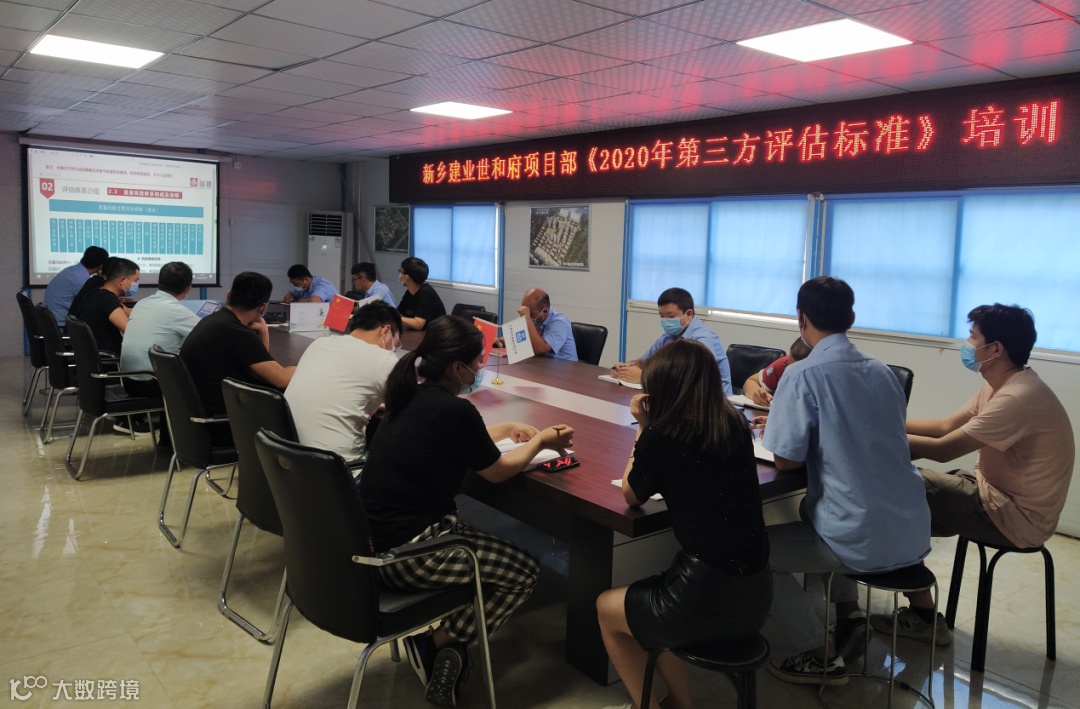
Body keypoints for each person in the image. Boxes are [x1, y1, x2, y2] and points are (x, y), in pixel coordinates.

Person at [359, 315, 573, 707]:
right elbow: (497, 471)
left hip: (370, 543)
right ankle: (435, 642)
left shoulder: (410, 395)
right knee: (525, 572)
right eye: (478, 361)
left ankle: (445, 643)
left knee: (495, 556)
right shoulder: (455, 411)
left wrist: (506, 429)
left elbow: (454, 438)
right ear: (458, 368)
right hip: (410, 553)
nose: (481, 368)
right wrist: (541, 441)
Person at [869, 304, 1075, 643]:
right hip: (993, 495)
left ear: (995, 348)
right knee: (903, 502)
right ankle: (916, 603)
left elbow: (943, 448)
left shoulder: (1018, 397)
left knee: (896, 488)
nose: (966, 344)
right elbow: (944, 426)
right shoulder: (1001, 385)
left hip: (1014, 518)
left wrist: (870, 437)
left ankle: (921, 617)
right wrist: (881, 422)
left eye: (972, 336)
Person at [761, 276, 931, 686]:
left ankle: (819, 655)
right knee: (816, 512)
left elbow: (785, 460)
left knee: (754, 554)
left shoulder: (802, 374)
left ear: (800, 318)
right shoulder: (883, 372)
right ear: (851, 318)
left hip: (859, 537)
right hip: (911, 530)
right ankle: (850, 616)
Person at [597, 340, 771, 709]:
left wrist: (643, 429)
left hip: (702, 600)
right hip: (757, 596)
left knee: (606, 607)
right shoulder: (735, 425)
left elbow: (631, 493)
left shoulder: (664, 434)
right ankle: (679, 704)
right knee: (654, 606)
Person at [285, 300, 401, 468]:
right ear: (386, 330)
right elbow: (410, 407)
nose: (392, 349)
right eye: (395, 344)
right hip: (339, 472)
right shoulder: (385, 359)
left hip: (288, 462)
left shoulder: (320, 343)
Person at [180, 271, 295, 422]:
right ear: (263, 308)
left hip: (199, 415)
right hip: (225, 420)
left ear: (228, 295)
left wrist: (263, 331)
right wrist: (308, 365)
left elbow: (259, 366)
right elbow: (281, 379)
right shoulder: (234, 331)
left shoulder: (216, 321)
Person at [609, 287, 733, 394]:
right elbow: (643, 362)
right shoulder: (669, 336)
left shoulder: (703, 339)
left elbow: (693, 380)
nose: (665, 321)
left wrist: (644, 377)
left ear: (689, 314)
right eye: (662, 316)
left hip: (712, 404)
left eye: (671, 316)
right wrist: (624, 369)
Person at [120, 262, 199, 399]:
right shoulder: (177, 311)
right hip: (154, 384)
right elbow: (208, 334)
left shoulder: (141, 303)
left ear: (158, 282)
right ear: (188, 288)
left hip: (128, 381)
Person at [69, 257, 140, 357]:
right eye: (136, 280)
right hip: (109, 358)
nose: (136, 285)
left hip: (93, 356)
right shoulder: (108, 299)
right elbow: (130, 331)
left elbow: (128, 311)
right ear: (123, 280)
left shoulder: (96, 293)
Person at [493, 288, 578, 361]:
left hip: (564, 369)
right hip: (542, 365)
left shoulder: (560, 323)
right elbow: (516, 336)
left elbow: (542, 349)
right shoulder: (533, 317)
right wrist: (500, 340)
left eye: (531, 314)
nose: (527, 316)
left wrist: (527, 317)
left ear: (545, 312)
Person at [43, 245, 109, 326]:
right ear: (101, 265)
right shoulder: (81, 279)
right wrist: (101, 278)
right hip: (61, 324)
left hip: (52, 320)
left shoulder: (73, 270)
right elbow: (96, 303)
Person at [742, 337, 813, 407]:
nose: (789, 372)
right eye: (788, 365)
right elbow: (751, 381)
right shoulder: (783, 364)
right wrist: (758, 395)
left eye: (795, 370)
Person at [397, 257, 446, 330]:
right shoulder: (409, 293)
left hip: (435, 333)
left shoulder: (426, 293)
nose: (399, 274)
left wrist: (393, 317)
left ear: (406, 277)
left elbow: (418, 324)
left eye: (401, 271)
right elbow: (400, 313)